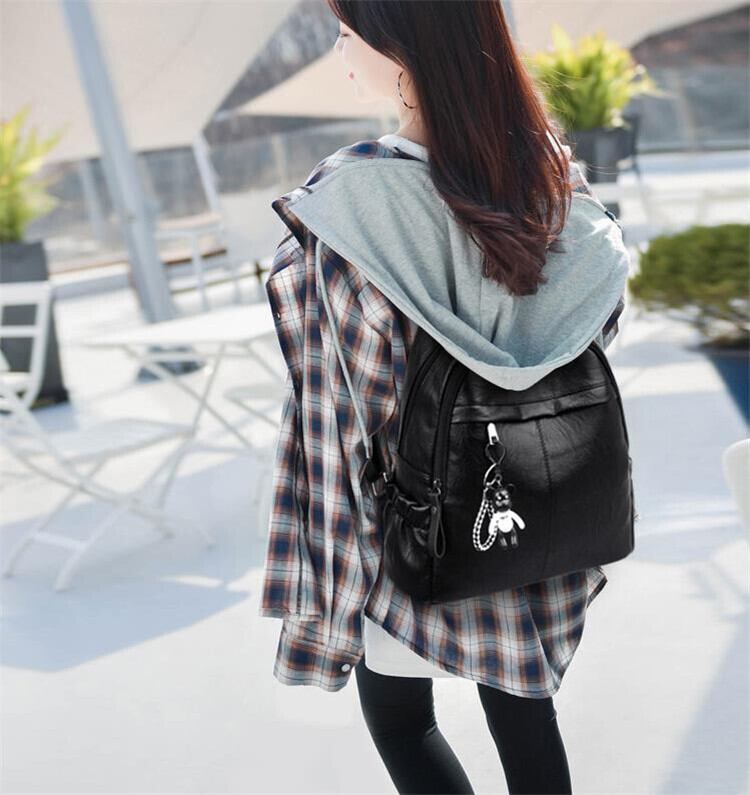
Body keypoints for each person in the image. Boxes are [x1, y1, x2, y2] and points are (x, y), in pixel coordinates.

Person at [258, 2, 629, 793]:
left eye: (348, 33)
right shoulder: (552, 180)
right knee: (526, 718)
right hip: (543, 520)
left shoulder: (350, 206)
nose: (339, 50)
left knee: (401, 720)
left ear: (401, 48)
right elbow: (590, 342)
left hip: (418, 540)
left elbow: (337, 424)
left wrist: (329, 593)